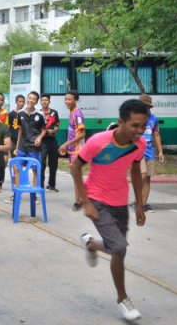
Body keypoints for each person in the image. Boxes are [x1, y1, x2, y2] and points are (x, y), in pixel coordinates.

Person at [70, 99, 149, 321]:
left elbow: (135, 170)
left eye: (143, 125)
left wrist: (139, 205)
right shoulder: (98, 141)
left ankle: (91, 243)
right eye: (135, 125)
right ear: (121, 122)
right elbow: (75, 166)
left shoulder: (139, 144)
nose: (140, 131)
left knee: (118, 250)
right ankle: (123, 299)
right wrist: (85, 201)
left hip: (120, 202)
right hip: (97, 200)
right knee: (120, 247)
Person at [58, 90, 86, 211]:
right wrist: (66, 147)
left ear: (75, 100)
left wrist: (66, 144)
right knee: (75, 176)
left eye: (69, 99)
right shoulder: (72, 113)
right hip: (71, 149)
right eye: (66, 99)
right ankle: (79, 200)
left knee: (76, 175)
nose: (67, 102)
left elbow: (82, 134)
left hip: (77, 150)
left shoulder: (77, 114)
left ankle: (79, 201)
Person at [14, 91, 46, 188]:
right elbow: (20, 130)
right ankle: (16, 193)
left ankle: (34, 194)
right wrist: (17, 146)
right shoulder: (20, 113)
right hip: (22, 147)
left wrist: (39, 138)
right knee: (16, 168)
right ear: (27, 99)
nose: (31, 100)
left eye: (34, 99)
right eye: (30, 98)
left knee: (35, 170)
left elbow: (44, 130)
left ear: (36, 102)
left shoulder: (40, 114)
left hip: (34, 148)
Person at [139, 94, 165, 212]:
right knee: (142, 176)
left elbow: (156, 134)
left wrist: (160, 152)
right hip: (137, 150)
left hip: (149, 150)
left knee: (148, 178)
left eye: (147, 107)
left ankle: (143, 205)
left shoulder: (153, 118)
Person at [39, 93, 60, 192]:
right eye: (42, 100)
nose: (44, 101)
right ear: (40, 101)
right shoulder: (38, 113)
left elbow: (57, 125)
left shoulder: (54, 112)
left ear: (49, 101)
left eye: (46, 100)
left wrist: (54, 130)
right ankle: (40, 185)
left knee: (53, 163)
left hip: (52, 140)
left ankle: (51, 185)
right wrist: (46, 131)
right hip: (42, 141)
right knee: (41, 162)